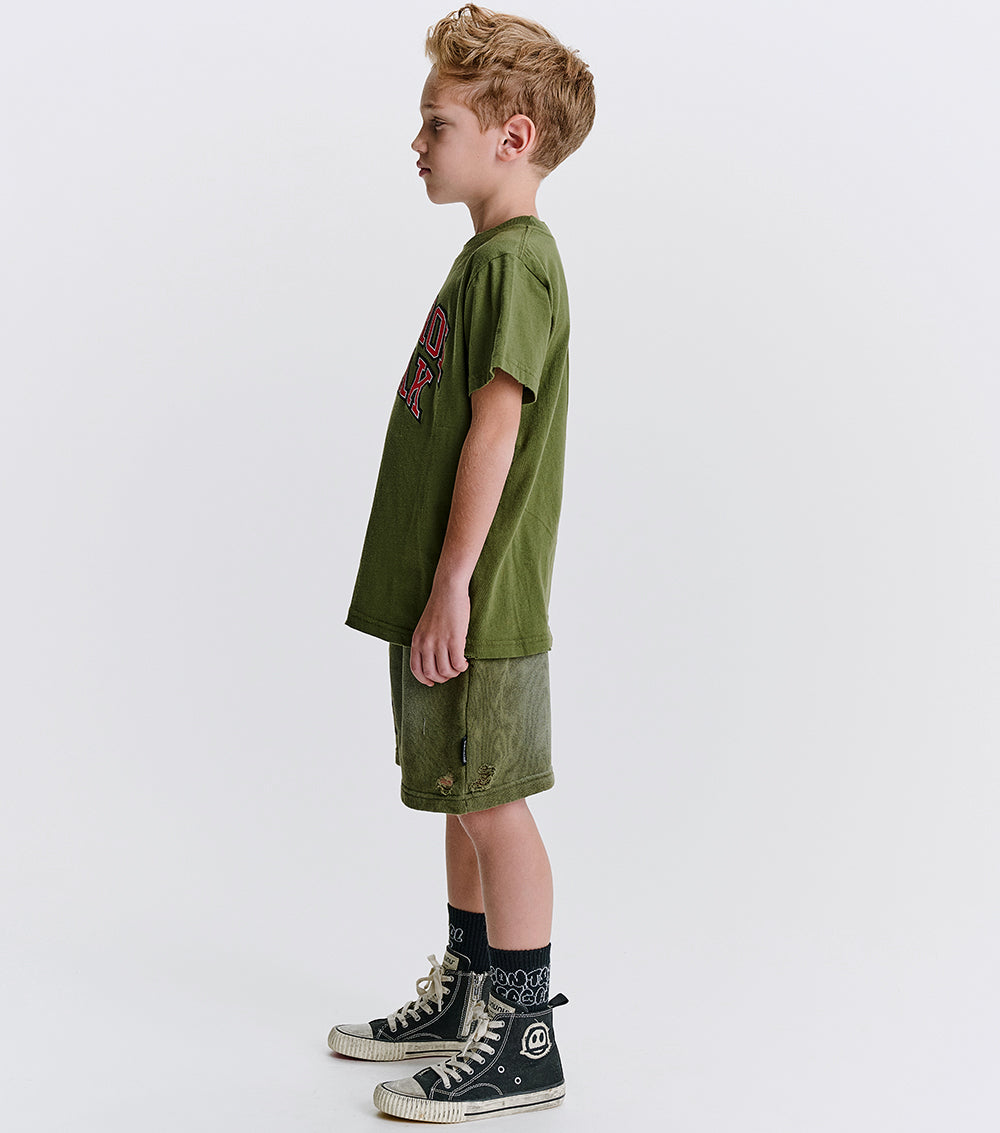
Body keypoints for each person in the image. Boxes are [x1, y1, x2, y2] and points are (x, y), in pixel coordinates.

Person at [329, 5, 595, 1123]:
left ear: (511, 137)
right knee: (459, 795)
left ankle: (524, 1037)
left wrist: (453, 586)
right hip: (453, 602)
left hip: (479, 606)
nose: (418, 141)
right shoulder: (487, 258)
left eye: (436, 122)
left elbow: (495, 428)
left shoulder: (518, 264)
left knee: (496, 806)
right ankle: (470, 993)